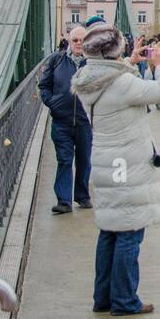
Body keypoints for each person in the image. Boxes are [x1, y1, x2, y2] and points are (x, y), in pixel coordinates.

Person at [71, 21, 160, 315]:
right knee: (130, 231)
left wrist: (128, 63)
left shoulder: (86, 78)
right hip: (129, 165)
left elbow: (113, 81)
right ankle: (125, 300)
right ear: (113, 51)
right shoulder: (123, 84)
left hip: (105, 164)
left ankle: (103, 298)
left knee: (110, 231)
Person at [38, 26, 92, 215]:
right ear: (69, 41)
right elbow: (43, 85)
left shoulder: (93, 63)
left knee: (84, 161)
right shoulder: (57, 60)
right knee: (64, 160)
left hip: (86, 122)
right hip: (62, 120)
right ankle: (64, 200)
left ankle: (82, 196)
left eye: (82, 41)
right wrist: (52, 103)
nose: (78, 44)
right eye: (75, 40)